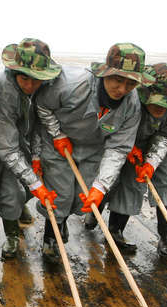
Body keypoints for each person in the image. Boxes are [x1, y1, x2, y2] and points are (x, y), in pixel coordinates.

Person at [35, 43, 146, 260]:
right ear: (105, 73)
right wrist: (57, 134)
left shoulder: (132, 105)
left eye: (130, 83)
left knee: (81, 195)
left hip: (93, 147)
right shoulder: (71, 84)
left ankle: (63, 221)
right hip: (60, 143)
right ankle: (51, 237)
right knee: (60, 193)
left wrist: (101, 186)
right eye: (118, 80)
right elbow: (42, 105)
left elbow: (118, 148)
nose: (122, 89)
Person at [105, 63, 167, 256]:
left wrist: (151, 163)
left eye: (165, 103)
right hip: (126, 142)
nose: (160, 107)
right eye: (156, 101)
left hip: (159, 144)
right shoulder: (130, 99)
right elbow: (114, 128)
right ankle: (115, 230)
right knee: (129, 182)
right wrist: (130, 146)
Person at [0, 38, 60, 259]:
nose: (30, 86)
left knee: (34, 181)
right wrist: (35, 183)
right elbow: (7, 148)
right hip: (5, 142)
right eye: (24, 79)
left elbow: (42, 123)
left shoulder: (48, 85)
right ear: (14, 72)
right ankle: (12, 234)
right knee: (10, 190)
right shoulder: (4, 88)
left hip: (31, 139)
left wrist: (38, 156)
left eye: (36, 80)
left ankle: (22, 206)